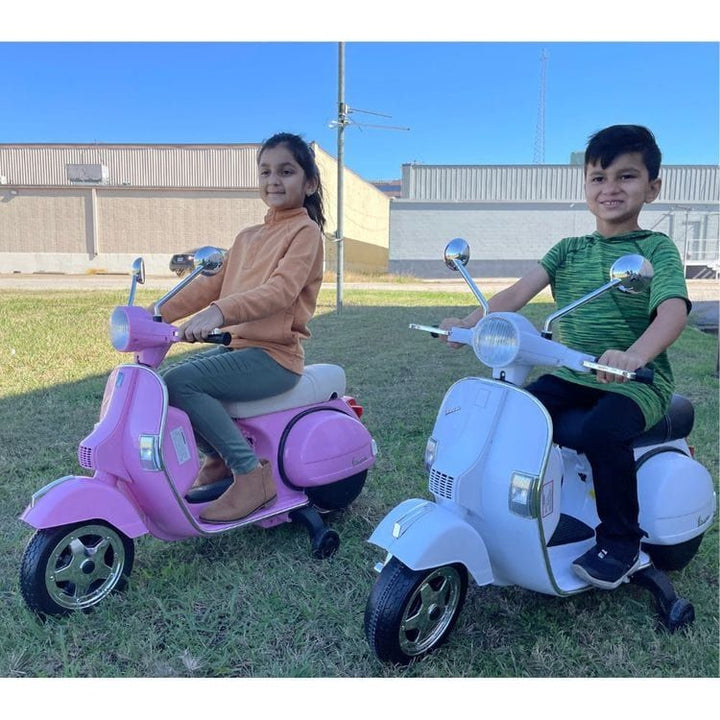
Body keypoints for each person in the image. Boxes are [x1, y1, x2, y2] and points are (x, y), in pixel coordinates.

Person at [440, 124, 690, 590]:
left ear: (652, 187)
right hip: (573, 374)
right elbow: (516, 294)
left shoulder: (655, 249)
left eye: (626, 176)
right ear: (586, 187)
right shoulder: (568, 250)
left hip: (635, 383)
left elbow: (672, 310)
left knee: (602, 430)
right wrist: (469, 323)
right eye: (598, 177)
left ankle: (621, 541)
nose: (610, 188)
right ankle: (523, 513)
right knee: (513, 413)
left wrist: (634, 356)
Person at [156, 132, 325, 524]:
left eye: (286, 171)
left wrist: (219, 313)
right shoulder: (247, 237)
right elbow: (207, 285)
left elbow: (280, 291)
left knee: (181, 382)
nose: (273, 181)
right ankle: (218, 461)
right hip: (239, 350)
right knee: (164, 386)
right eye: (265, 172)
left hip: (275, 357)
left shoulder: (305, 233)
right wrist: (155, 313)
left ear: (310, 183)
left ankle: (250, 476)